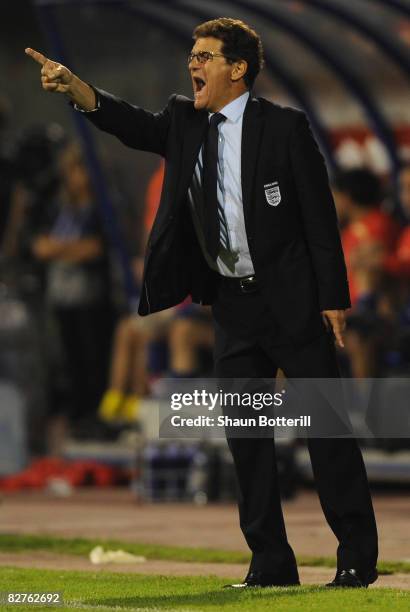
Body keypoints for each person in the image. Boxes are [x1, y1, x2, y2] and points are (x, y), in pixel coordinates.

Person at [26, 17, 378, 588]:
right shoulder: (183, 122)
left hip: (293, 302)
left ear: (238, 69)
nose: (193, 63)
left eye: (205, 56)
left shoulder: (285, 128)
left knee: (329, 435)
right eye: (191, 54)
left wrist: (334, 298)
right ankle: (270, 563)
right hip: (232, 307)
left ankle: (358, 558)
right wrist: (77, 89)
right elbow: (130, 124)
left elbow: (320, 221)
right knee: (246, 444)